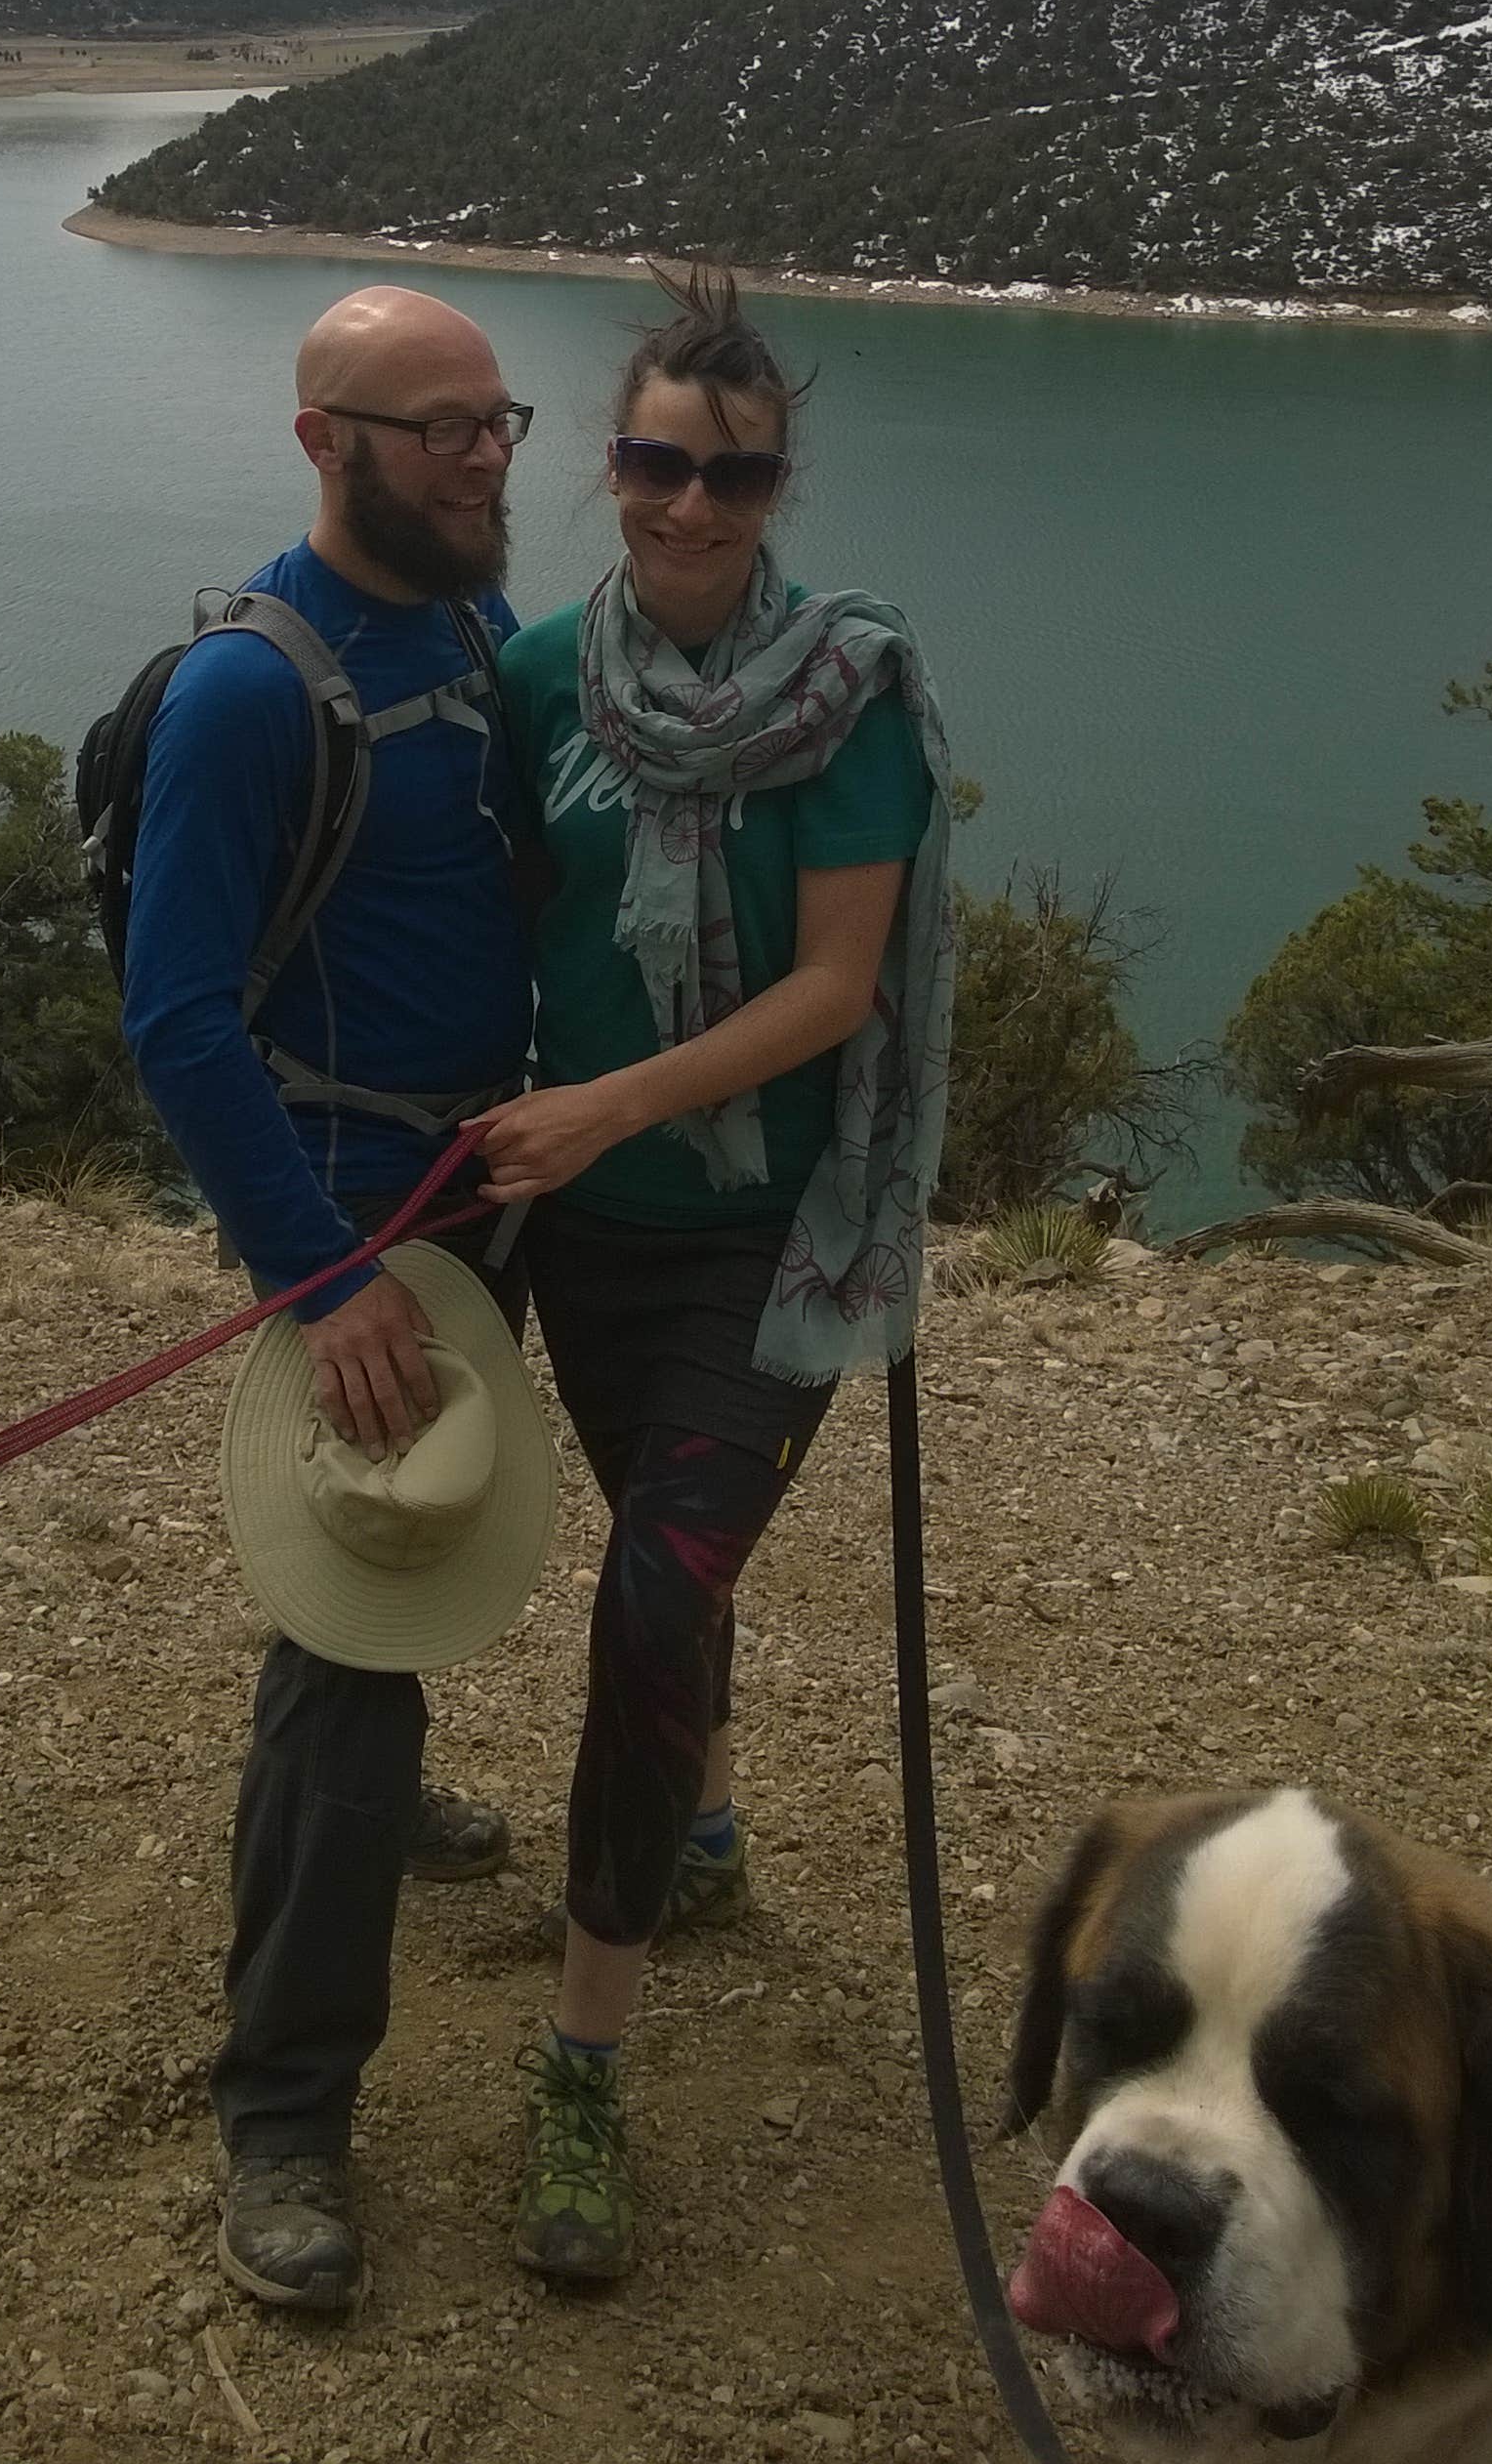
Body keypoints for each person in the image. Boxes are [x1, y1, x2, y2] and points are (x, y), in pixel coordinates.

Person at [479, 264, 953, 2283]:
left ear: (779, 484)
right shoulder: (530, 683)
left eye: (729, 477)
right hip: (585, 1246)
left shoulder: (845, 696)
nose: (686, 506)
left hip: (770, 1235)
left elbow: (839, 990)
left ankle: (584, 2066)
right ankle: (706, 1830)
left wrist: (601, 1102)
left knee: (653, 1586)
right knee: (678, 1574)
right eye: (653, 462)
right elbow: (490, 910)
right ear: (608, 466)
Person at [121, 284, 536, 2316]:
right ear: (322, 441)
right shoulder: (245, 696)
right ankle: (283, 2113)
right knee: (347, 1636)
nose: (482, 459)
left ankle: (391, 1805)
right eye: (436, 427)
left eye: (497, 422)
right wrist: (324, 1275)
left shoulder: (461, 631)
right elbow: (178, 1018)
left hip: (490, 1184)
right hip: (360, 1219)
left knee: (429, 1552)